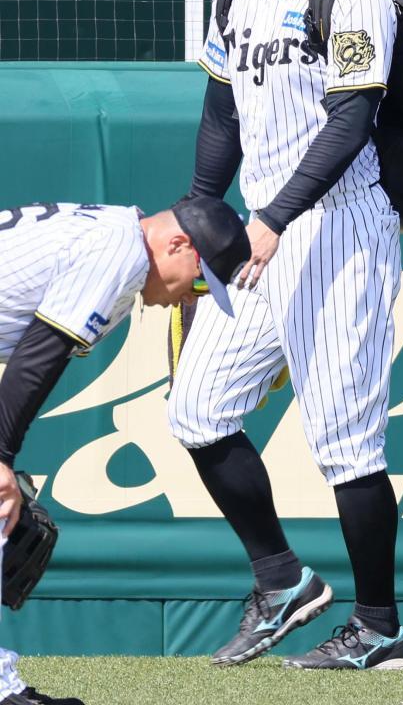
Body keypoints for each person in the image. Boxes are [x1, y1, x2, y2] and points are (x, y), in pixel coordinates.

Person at [168, 0, 403, 671]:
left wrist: (271, 216)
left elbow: (350, 123)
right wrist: (205, 208)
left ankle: (381, 628)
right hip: (259, 233)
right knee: (197, 409)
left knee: (347, 442)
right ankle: (282, 581)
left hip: (338, 229)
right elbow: (220, 108)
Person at [0, 197, 249, 704]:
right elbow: (34, 363)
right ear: (178, 243)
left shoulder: (114, 228)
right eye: (199, 281)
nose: (189, 299)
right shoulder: (121, 251)